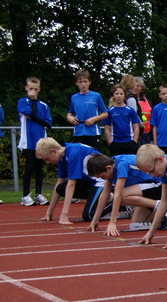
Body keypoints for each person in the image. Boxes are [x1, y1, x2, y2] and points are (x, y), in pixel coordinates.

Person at [86, 153, 167, 235]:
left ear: (108, 168)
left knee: (121, 195)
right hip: (145, 190)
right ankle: (161, 211)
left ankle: (161, 206)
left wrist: (112, 222)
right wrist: (95, 220)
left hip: (157, 184)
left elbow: (118, 195)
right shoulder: (110, 166)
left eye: (102, 176)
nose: (103, 179)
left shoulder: (122, 164)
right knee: (137, 223)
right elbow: (104, 194)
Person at [36, 138, 109, 224]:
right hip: (88, 181)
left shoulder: (73, 152)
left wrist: (64, 214)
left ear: (54, 151)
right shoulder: (61, 157)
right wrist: (49, 211)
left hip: (101, 180)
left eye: (47, 159)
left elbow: (71, 184)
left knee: (88, 216)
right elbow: (60, 181)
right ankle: (102, 198)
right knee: (60, 189)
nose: (47, 162)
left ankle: (117, 203)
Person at [17, 76, 52, 206]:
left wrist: (35, 117)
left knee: (39, 168)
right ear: (26, 88)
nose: (32, 91)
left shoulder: (43, 105)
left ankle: (38, 193)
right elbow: (30, 113)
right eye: (30, 88)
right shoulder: (22, 102)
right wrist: (32, 102)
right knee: (29, 166)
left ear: (39, 90)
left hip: (41, 141)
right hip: (27, 141)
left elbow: (48, 123)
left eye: (35, 89)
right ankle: (25, 195)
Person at [66, 69, 108, 151]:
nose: (83, 84)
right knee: (79, 155)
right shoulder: (74, 97)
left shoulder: (96, 96)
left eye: (85, 81)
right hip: (78, 131)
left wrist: (94, 119)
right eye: (80, 82)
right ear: (76, 83)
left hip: (93, 131)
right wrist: (69, 118)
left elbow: (105, 113)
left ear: (89, 82)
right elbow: (70, 113)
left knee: (94, 157)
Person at [103, 84, 141, 156]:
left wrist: (134, 142)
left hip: (129, 141)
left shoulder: (130, 110)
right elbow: (107, 128)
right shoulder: (109, 111)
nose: (119, 96)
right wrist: (110, 143)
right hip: (115, 142)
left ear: (124, 95)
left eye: (121, 94)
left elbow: (136, 127)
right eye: (116, 94)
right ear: (113, 95)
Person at [133, 77, 153, 145]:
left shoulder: (146, 100)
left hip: (147, 133)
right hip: (134, 132)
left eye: (138, 86)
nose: (135, 87)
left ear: (142, 88)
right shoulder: (128, 100)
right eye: (133, 85)